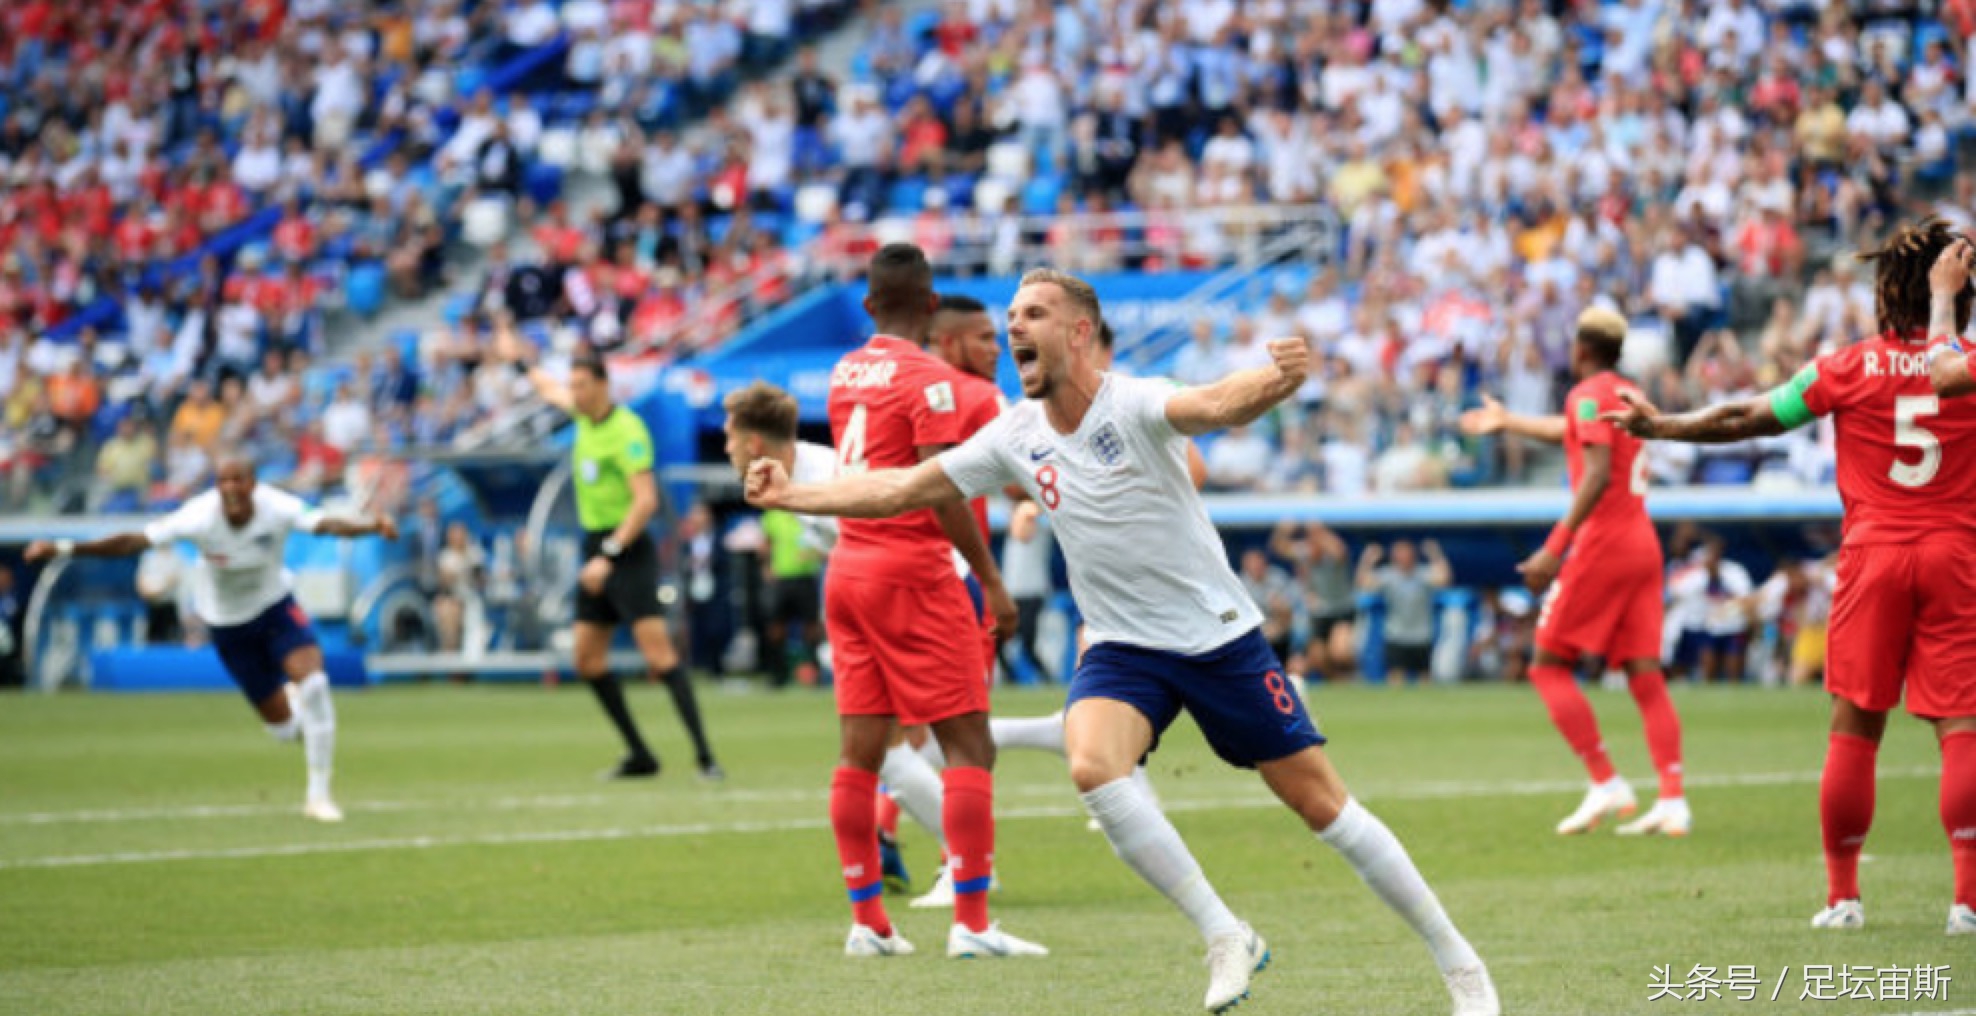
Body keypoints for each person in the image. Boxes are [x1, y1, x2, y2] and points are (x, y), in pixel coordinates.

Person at [746, 267, 1498, 1014]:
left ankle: (1459, 962)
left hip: (1217, 640)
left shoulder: (1134, 401)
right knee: (1092, 764)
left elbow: (1213, 403)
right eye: (1011, 315)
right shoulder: (1013, 434)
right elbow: (899, 487)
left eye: (1033, 313)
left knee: (1322, 807)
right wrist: (791, 494)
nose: (1014, 327)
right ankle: (1224, 932)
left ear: (1078, 332)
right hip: (1120, 646)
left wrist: (1275, 379)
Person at [1613, 221, 1976, 935]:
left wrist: (1666, 428)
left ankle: (1843, 899)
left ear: (1884, 293)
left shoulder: (1845, 366)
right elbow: (1948, 370)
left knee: (1855, 728)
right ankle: (1967, 903)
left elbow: (1749, 415)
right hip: (1957, 556)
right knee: (1962, 727)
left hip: (1873, 557)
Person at [798, 245, 1041, 959]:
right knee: (970, 743)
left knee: (860, 752)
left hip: (847, 569)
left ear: (869, 306)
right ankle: (971, 923)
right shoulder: (932, 380)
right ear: (932, 308)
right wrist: (991, 579)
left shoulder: (845, 372)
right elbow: (941, 489)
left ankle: (868, 921)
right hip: (913, 572)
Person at [24, 457, 396, 821]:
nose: (230, 489)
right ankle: (294, 711)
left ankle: (318, 797)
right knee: (284, 730)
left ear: (254, 483)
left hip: (275, 608)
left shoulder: (277, 506)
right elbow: (132, 541)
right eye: (223, 481)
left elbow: (326, 523)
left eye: (238, 480)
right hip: (228, 624)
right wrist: (63, 547)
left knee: (315, 684)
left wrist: (371, 526)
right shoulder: (199, 515)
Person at [1458, 306, 1689, 838]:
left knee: (1546, 663)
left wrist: (1553, 548)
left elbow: (1597, 473)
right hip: (1642, 544)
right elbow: (1573, 430)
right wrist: (1509, 420)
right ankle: (1673, 798)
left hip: (1603, 543)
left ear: (1579, 349)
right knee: (1645, 674)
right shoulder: (1623, 394)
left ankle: (1605, 780)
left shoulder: (1585, 393)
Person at [494, 325, 722, 782]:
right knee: (587, 660)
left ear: (603, 385)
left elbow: (646, 501)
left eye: (581, 385)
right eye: (572, 385)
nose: (573, 393)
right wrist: (516, 358)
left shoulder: (628, 430)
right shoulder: (582, 418)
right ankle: (641, 754)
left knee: (659, 657)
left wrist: (611, 554)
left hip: (628, 548)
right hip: (594, 545)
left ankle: (705, 759)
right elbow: (546, 386)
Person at [1355, 540, 1451, 687]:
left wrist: (1436, 555)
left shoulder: (1423, 574)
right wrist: (1367, 560)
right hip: (1396, 635)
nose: (1404, 557)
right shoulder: (1388, 576)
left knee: (1425, 679)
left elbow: (1445, 579)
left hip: (1421, 636)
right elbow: (1363, 583)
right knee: (1395, 679)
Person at [1270, 521, 1357, 682]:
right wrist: (1282, 530)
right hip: (1319, 614)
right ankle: (1337, 682)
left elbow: (1340, 550)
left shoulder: (1332, 556)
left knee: (1340, 652)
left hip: (1341, 610)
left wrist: (1318, 530)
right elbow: (1279, 547)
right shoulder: (1306, 552)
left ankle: (1356, 676)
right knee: (1317, 657)